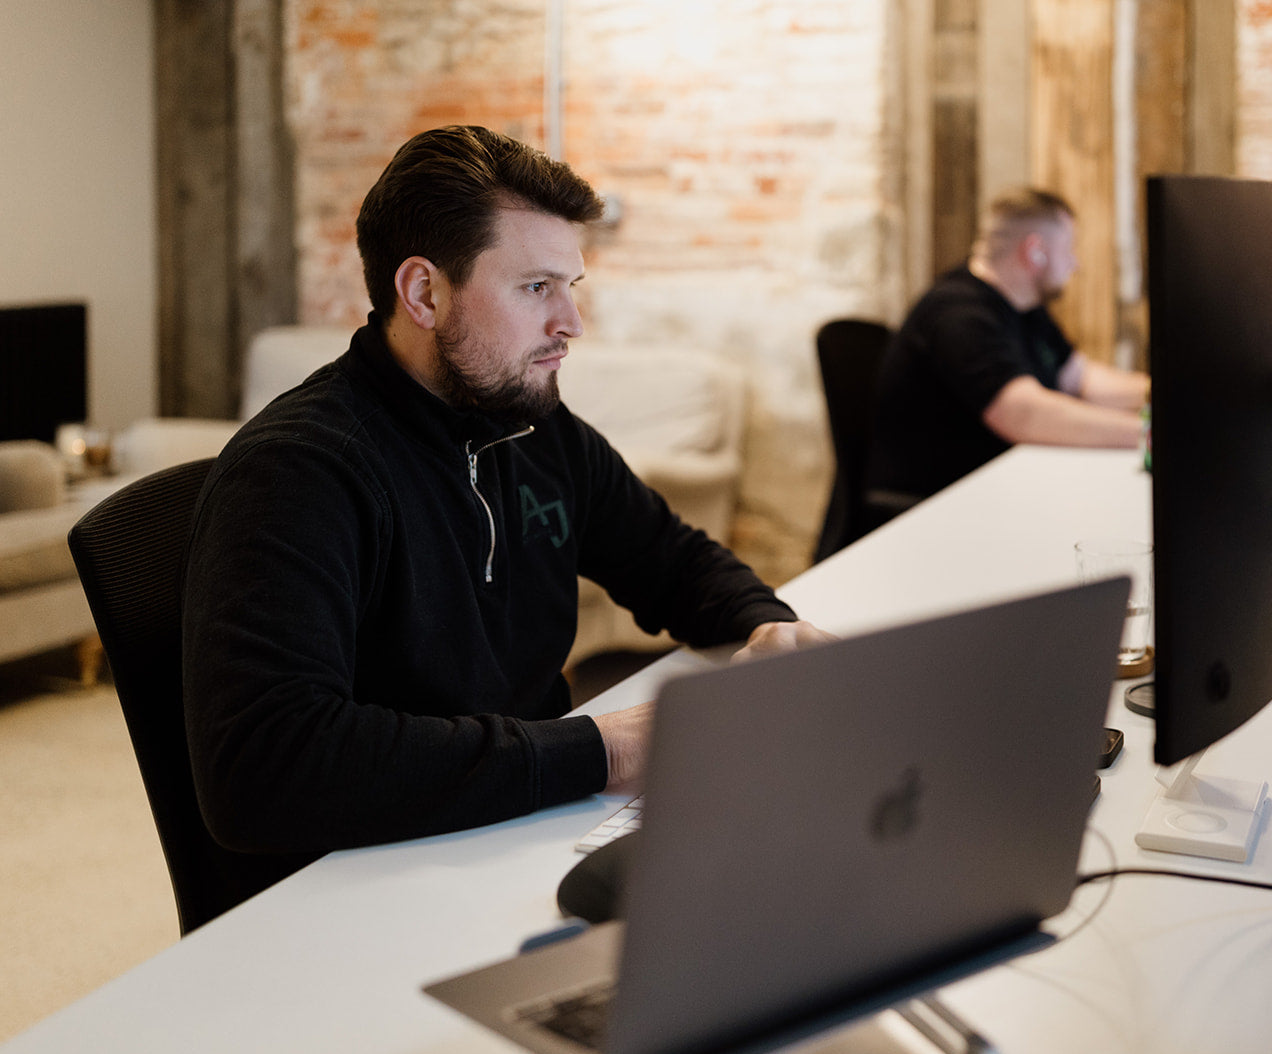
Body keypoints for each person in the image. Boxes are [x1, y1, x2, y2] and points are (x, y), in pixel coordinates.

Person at [182, 126, 831, 864]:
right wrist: (607, 748)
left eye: (570, 287)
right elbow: (264, 768)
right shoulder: (299, 471)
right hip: (375, 874)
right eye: (535, 288)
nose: (571, 324)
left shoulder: (531, 425)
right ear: (424, 292)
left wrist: (767, 627)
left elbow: (672, 560)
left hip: (526, 828)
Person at [866, 187, 1149, 502]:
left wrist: (1165, 394)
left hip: (996, 488)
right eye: (1069, 248)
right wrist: (1151, 435)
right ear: (1035, 251)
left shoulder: (1024, 306)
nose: (1075, 263)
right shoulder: (957, 313)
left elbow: (1079, 378)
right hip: (938, 506)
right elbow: (1024, 415)